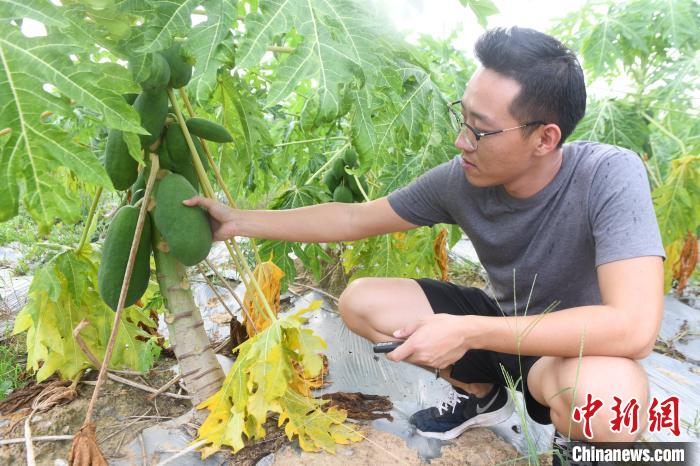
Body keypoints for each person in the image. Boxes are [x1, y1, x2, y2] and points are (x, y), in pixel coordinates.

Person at [184, 27, 664, 464]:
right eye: (463, 117)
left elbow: (634, 328)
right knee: (364, 301)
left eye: (480, 129)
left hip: (571, 352)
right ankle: (482, 396)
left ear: (544, 138)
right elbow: (355, 217)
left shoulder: (608, 174)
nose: (461, 141)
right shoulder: (463, 180)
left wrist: (467, 331)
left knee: (608, 403)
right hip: (496, 325)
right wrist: (239, 221)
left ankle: (575, 445)